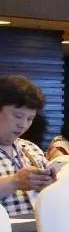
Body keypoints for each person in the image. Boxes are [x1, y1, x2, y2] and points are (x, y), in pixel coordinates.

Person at [0, 76, 55, 215]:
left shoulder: (31, 149)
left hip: (39, 226)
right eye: (17, 116)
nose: (23, 124)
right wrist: (14, 182)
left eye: (30, 119)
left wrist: (50, 184)